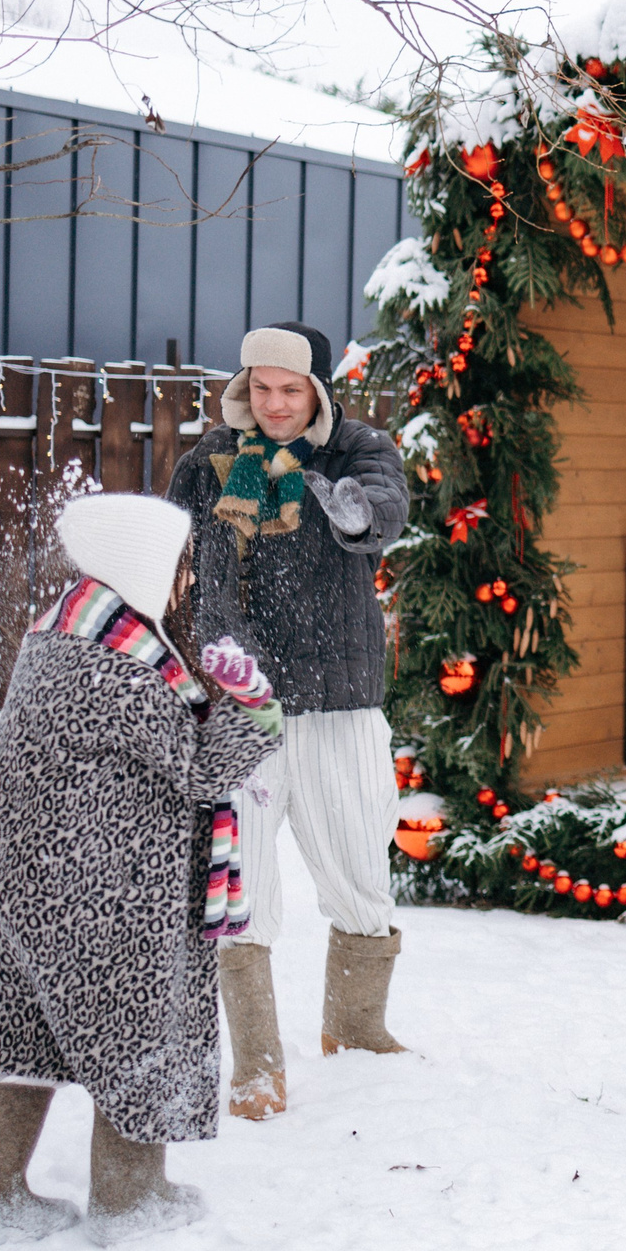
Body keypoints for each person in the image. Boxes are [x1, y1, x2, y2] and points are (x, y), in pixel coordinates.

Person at [0, 493, 285, 1249]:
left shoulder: (64, 629)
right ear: (146, 564)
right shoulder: (119, 663)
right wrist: (256, 712)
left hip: (18, 885)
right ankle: (131, 1201)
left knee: (23, 1039)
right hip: (101, 893)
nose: (187, 583)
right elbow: (197, 770)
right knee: (138, 1027)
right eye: (180, 566)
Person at [167, 322, 409, 1119]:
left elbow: (383, 509)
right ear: (246, 385)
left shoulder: (355, 450)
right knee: (245, 886)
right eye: (262, 387)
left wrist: (351, 514)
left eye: (291, 389)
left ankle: (356, 1028)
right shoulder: (207, 466)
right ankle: (257, 1067)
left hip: (341, 698)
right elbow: (187, 566)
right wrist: (215, 650)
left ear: (317, 391)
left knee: (361, 873)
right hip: (248, 704)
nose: (275, 404)